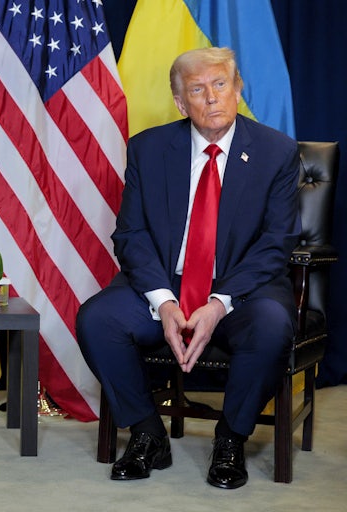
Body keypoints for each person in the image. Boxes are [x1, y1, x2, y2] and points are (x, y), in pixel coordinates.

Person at [76, 47, 300, 490]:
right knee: (98, 318)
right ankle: (146, 432)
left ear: (237, 90)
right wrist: (163, 302)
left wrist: (219, 303)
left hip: (243, 289)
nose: (212, 98)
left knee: (273, 325)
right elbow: (131, 235)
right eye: (197, 90)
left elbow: (277, 244)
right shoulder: (148, 148)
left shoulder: (277, 152)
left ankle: (231, 439)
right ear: (181, 103)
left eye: (220, 85)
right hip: (166, 281)